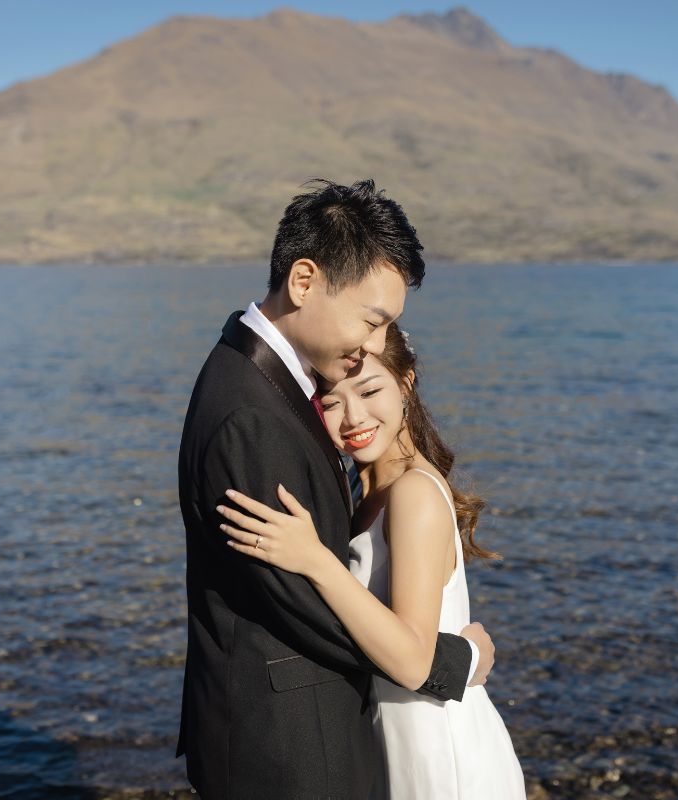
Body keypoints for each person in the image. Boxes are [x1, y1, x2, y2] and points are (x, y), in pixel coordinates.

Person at [176, 178, 496, 800]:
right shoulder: (250, 411)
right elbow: (295, 600)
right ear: (304, 281)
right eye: (371, 319)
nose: (373, 345)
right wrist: (452, 663)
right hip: (286, 742)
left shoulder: (271, 385)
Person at [218, 322, 526, 799]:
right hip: (397, 739)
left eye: (369, 390)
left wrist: (315, 560)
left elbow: (413, 661)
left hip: (439, 751)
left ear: (407, 381)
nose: (353, 418)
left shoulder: (413, 493)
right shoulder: (363, 493)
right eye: (332, 402)